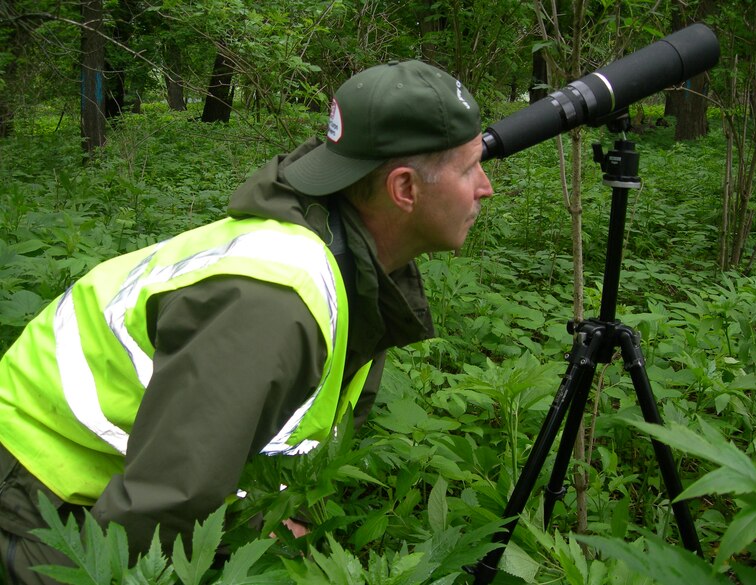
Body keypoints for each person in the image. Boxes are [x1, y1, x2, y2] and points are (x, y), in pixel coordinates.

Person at [0, 59, 493, 584]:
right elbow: (163, 504)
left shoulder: (358, 265)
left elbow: (265, 436)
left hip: (112, 483)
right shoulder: (274, 302)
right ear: (405, 189)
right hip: (37, 495)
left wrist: (278, 516)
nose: (485, 187)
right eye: (469, 169)